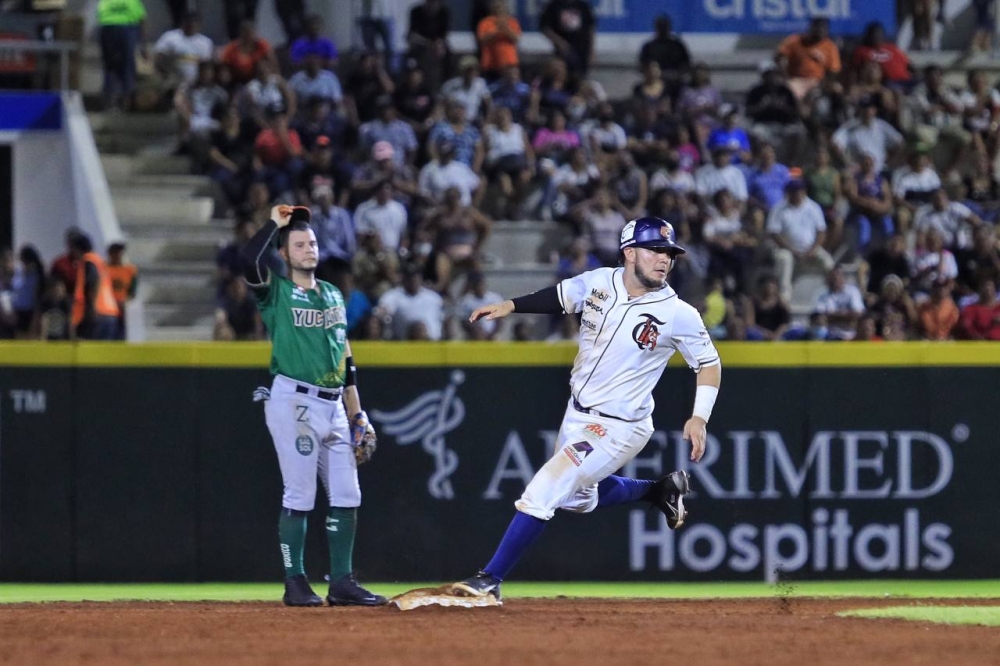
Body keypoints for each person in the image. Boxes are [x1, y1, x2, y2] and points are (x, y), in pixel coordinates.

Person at [449, 216, 720, 601]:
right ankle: (658, 491)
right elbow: (560, 297)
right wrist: (511, 305)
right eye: (654, 250)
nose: (664, 259)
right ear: (629, 253)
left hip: (620, 426)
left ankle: (489, 579)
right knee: (579, 499)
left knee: (544, 489)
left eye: (669, 253)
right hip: (577, 413)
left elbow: (709, 364)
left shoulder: (679, 314)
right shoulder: (598, 282)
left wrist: (700, 416)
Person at [240, 204, 386, 607]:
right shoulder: (276, 292)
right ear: (284, 254)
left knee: (347, 492)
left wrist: (358, 412)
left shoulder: (334, 293)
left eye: (313, 242)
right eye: (299, 244)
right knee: (300, 493)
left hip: (335, 402)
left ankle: (341, 581)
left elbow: (346, 355)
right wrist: (273, 223)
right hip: (294, 399)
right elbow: (246, 258)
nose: (309, 249)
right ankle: (295, 582)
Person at [97, 0, 148, 112]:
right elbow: (142, 19)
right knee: (127, 66)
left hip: (108, 29)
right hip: (126, 29)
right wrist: (144, 45)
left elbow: (100, 14)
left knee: (110, 67)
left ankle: (109, 100)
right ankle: (126, 100)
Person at [69, 233, 120, 340]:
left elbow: (93, 282)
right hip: (109, 312)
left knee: (90, 351)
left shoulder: (88, 261)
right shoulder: (99, 261)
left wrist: (91, 309)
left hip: (97, 313)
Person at [153, 10, 213, 90]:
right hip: (173, 81)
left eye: (195, 23)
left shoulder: (206, 42)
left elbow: (207, 65)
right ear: (183, 23)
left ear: (199, 25)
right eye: (189, 23)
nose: (192, 25)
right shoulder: (170, 37)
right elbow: (158, 57)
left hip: (196, 83)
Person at [539, 0, 596, 77]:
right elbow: (545, 27)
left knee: (581, 78)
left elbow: (590, 29)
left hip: (583, 51)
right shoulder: (554, 5)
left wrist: (592, 52)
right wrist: (560, 42)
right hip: (563, 52)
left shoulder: (583, 6)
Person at [106, 242, 138, 340]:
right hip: (108, 309)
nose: (119, 255)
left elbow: (132, 292)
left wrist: (125, 302)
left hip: (123, 309)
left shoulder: (130, 270)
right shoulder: (104, 269)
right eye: (116, 253)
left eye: (120, 253)